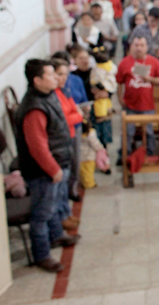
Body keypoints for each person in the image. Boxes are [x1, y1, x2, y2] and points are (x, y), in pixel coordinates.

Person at [16, 60, 81, 272]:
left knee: (53, 206)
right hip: (43, 171)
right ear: (37, 80)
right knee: (41, 214)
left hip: (58, 162)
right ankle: (42, 255)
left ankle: (56, 236)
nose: (56, 78)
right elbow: (38, 146)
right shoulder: (34, 108)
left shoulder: (48, 95)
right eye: (51, 75)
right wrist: (53, 169)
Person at [116, 36, 159, 159]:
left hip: (147, 104)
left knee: (149, 131)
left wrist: (150, 79)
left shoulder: (154, 61)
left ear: (147, 47)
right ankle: (125, 154)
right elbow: (119, 82)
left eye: (142, 45)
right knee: (128, 131)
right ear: (132, 46)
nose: (139, 48)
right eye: (136, 45)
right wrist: (119, 98)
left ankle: (150, 153)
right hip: (130, 104)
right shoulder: (125, 62)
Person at [51, 59, 83, 230]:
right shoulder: (53, 95)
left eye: (66, 74)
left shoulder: (64, 91)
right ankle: (62, 216)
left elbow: (73, 109)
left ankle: (66, 213)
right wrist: (77, 116)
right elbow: (64, 118)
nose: (64, 78)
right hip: (61, 139)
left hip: (69, 135)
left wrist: (76, 114)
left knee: (70, 172)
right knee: (61, 182)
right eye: (60, 74)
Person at [130, 7, 159, 73]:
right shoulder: (139, 29)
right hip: (142, 64)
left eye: (157, 21)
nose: (154, 23)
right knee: (141, 81)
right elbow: (131, 46)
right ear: (148, 17)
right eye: (152, 20)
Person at [90, 47, 117, 147]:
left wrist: (108, 92)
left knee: (104, 135)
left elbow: (112, 83)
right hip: (93, 105)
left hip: (104, 101)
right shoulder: (94, 69)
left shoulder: (109, 67)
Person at [80, 120, 110, 189]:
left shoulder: (78, 134)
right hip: (89, 157)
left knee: (83, 171)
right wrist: (101, 148)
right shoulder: (90, 134)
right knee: (89, 172)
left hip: (81, 157)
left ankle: (83, 181)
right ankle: (90, 184)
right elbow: (95, 144)